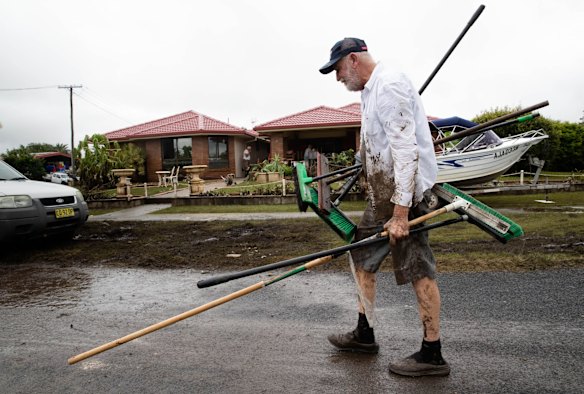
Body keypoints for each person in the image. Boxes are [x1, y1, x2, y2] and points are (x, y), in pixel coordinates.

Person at [319, 37, 449, 377]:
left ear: (352, 60)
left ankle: (432, 353)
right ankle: (365, 333)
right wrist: (365, 157)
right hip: (383, 194)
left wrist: (401, 214)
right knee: (361, 255)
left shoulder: (389, 85)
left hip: (406, 198)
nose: (337, 78)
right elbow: (381, 140)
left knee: (417, 267)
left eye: (336, 70)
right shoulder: (369, 89)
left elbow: (407, 153)